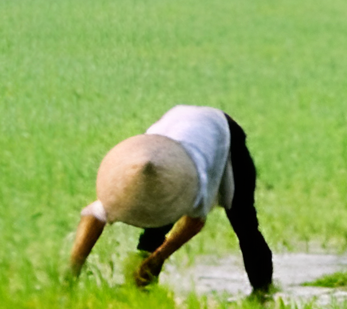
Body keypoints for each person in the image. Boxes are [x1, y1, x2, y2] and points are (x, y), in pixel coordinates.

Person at [67, 106, 274, 295]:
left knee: (243, 221)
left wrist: (158, 259)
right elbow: (93, 216)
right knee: (153, 227)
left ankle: (262, 291)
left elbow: (195, 221)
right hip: (169, 137)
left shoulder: (193, 178)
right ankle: (142, 289)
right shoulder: (129, 180)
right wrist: (71, 274)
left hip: (222, 132)